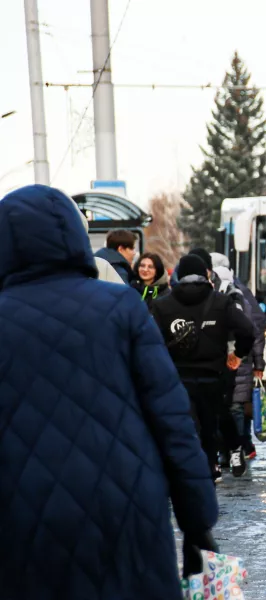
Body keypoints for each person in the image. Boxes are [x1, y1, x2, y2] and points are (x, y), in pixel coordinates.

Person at [0, 185, 218, 599]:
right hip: (126, 505)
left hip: (22, 518)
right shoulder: (122, 307)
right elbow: (171, 419)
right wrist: (197, 519)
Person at [151, 254, 256, 482]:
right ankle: (212, 466)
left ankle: (193, 468)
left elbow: (152, 341)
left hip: (177, 376)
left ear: (178, 276)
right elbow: (247, 330)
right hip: (214, 374)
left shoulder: (162, 305)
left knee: (189, 424)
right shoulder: (221, 301)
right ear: (206, 273)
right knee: (211, 421)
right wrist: (238, 354)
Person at [212, 252, 266, 461]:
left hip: (237, 358)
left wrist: (257, 362)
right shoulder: (241, 292)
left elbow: (253, 329)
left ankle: (235, 449)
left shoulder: (234, 294)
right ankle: (239, 447)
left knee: (234, 406)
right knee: (235, 406)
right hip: (240, 358)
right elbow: (258, 327)